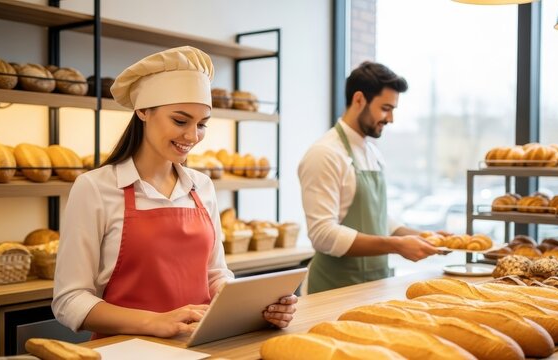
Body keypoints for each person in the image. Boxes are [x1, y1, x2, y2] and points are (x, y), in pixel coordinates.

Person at [52, 46, 297, 338]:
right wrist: (154, 322)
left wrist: (255, 305)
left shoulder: (201, 186)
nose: (193, 136)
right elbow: (69, 300)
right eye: (180, 121)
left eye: (202, 124)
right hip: (126, 350)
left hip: (198, 345)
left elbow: (215, 275)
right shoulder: (95, 188)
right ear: (143, 110)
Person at [298, 62, 440, 294]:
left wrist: (423, 237)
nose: (391, 118)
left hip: (374, 287)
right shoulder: (324, 154)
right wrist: (396, 246)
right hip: (332, 291)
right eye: (385, 108)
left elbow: (378, 217)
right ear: (359, 100)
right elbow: (323, 235)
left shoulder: (372, 153)